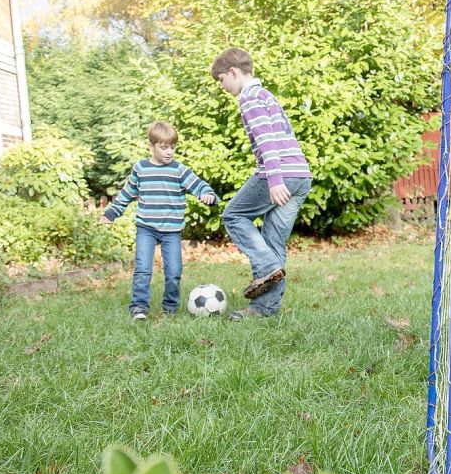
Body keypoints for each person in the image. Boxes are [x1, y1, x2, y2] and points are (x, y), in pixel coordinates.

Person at [212, 47, 312, 321]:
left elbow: (267, 140)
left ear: (233, 72)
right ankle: (264, 309)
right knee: (273, 240)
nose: (222, 87)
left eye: (221, 80)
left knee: (233, 215)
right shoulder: (266, 94)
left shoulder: (250, 98)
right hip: (300, 175)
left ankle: (267, 265)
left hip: (280, 173)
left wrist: (275, 180)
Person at [102, 121, 217, 321]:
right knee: (143, 269)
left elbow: (198, 185)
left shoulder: (179, 170)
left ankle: (170, 308)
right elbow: (127, 194)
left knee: (173, 272)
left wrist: (207, 194)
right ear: (151, 146)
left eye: (172, 147)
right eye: (164, 148)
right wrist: (112, 212)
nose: (169, 152)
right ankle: (139, 307)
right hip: (146, 228)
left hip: (171, 231)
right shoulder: (141, 168)